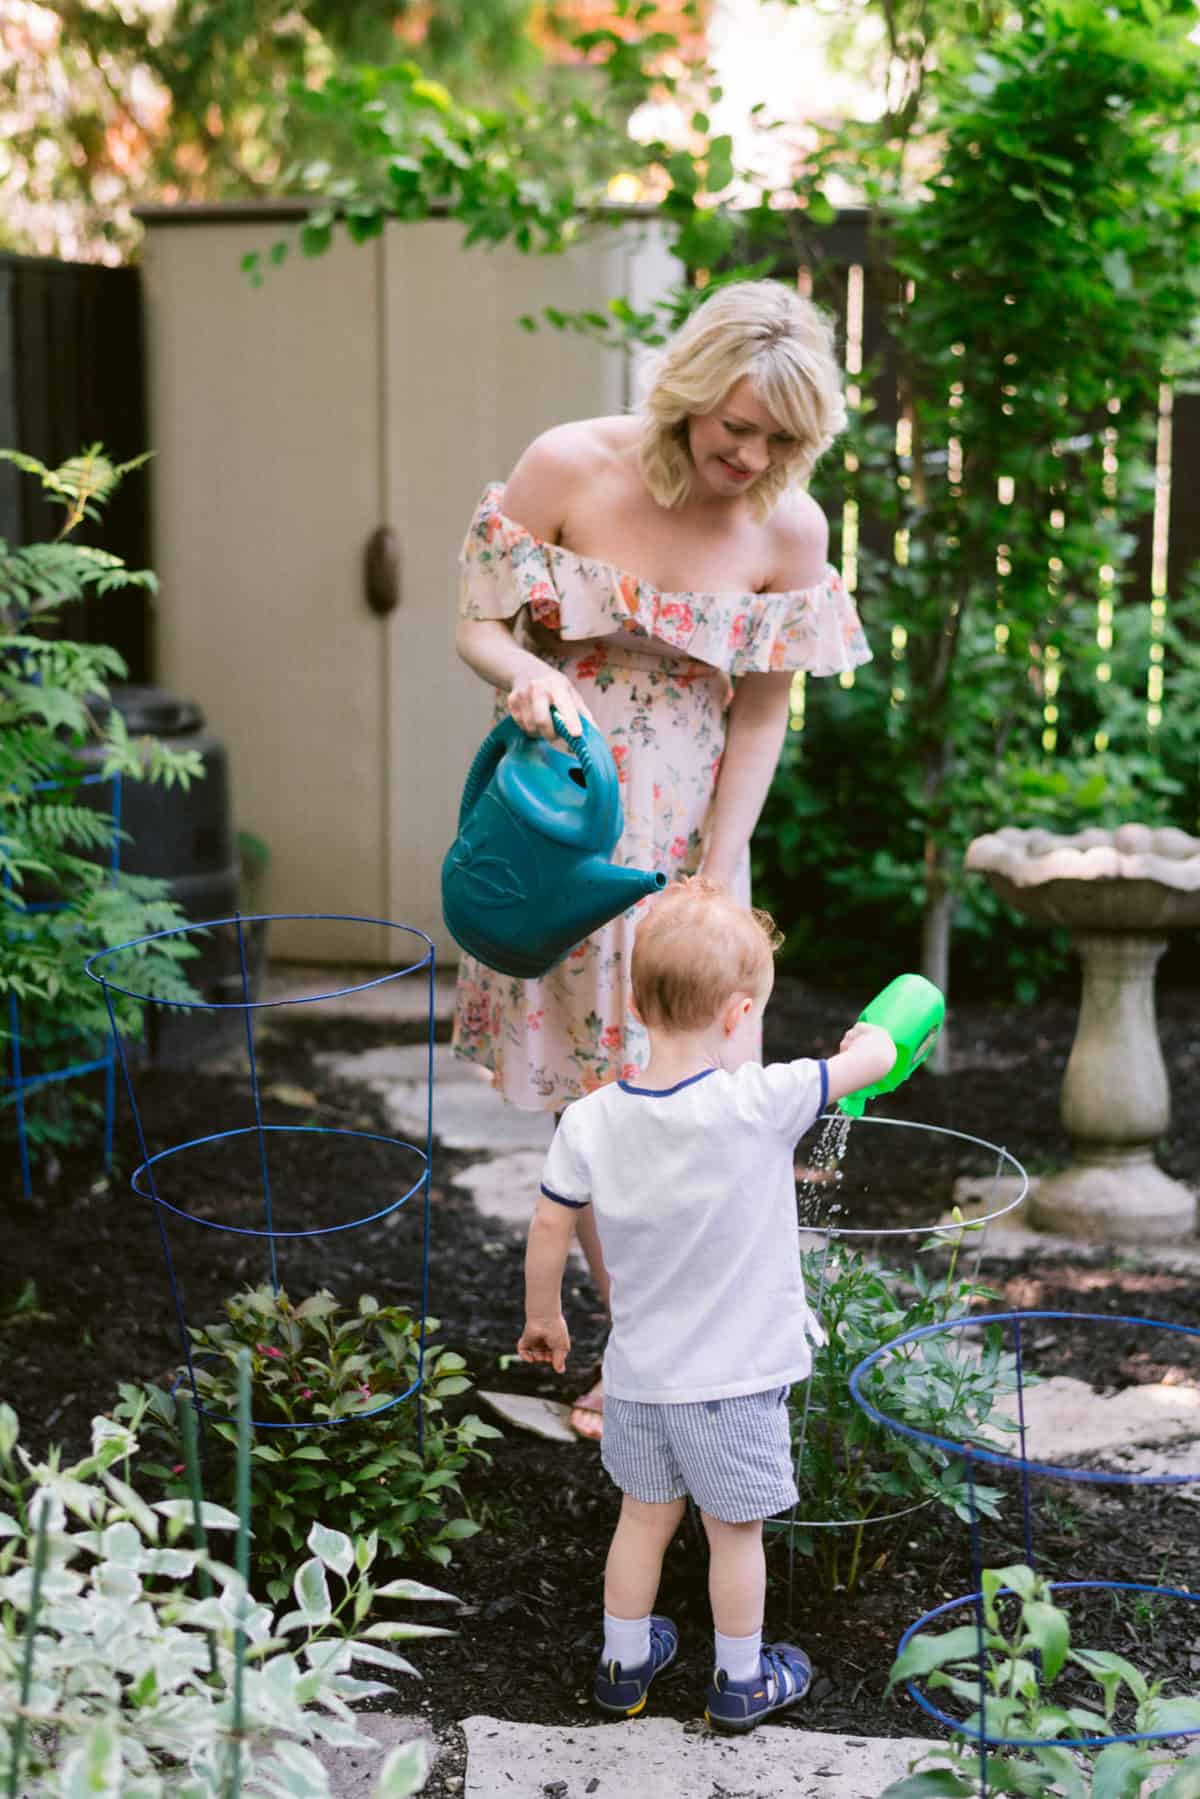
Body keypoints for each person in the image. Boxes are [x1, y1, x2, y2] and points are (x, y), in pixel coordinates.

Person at [454, 277, 871, 1438]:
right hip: (558, 816)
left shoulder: (791, 529)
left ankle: (693, 1345)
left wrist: (721, 862)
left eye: (785, 438)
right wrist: (525, 673)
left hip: (688, 833)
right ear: (689, 389)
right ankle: (639, 1355)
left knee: (695, 1102)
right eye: (739, 426)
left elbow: (761, 710)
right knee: (601, 1105)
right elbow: (478, 623)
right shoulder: (567, 466)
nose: (755, 456)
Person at [516, 878, 897, 1729]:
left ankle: (621, 1665)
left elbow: (550, 1217)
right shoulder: (756, 1101)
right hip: (735, 1380)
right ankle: (738, 1679)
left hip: (642, 1378)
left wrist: (546, 1315)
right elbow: (871, 1063)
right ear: (735, 1016)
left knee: (642, 1521)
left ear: (638, 1004)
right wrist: (871, 1037)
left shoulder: (590, 1118)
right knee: (735, 1534)